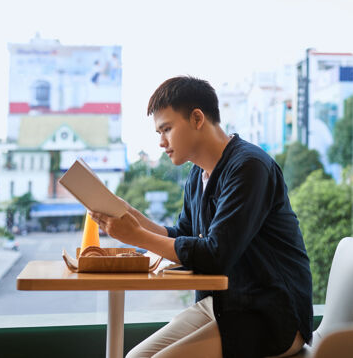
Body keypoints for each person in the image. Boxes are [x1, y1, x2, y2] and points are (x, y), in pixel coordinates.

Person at [90, 76, 313, 358]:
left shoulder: (249, 168)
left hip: (271, 317)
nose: (161, 142)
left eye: (166, 129)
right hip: (222, 306)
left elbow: (215, 255)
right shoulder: (198, 175)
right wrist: (132, 216)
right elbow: (182, 236)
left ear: (197, 118)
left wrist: (136, 236)